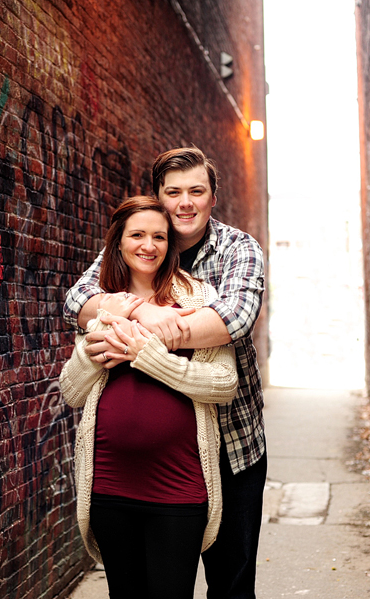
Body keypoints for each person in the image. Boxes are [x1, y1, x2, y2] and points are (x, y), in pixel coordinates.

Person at [64, 147, 266, 599]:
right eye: (173, 192)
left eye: (197, 190)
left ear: (213, 197)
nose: (185, 203)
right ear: (159, 197)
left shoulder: (237, 249)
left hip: (232, 444)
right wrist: (125, 315)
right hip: (137, 472)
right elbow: (78, 300)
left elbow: (231, 321)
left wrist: (145, 326)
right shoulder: (144, 241)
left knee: (231, 582)